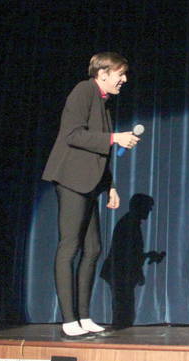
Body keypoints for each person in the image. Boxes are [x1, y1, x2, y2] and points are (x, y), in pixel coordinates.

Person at [42, 52, 140, 338]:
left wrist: (110, 186)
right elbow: (72, 135)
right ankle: (69, 319)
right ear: (103, 74)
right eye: (120, 74)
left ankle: (84, 316)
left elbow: (100, 152)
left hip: (89, 183)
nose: (124, 79)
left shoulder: (104, 104)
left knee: (93, 249)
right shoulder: (83, 91)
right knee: (70, 246)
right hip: (71, 178)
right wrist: (115, 138)